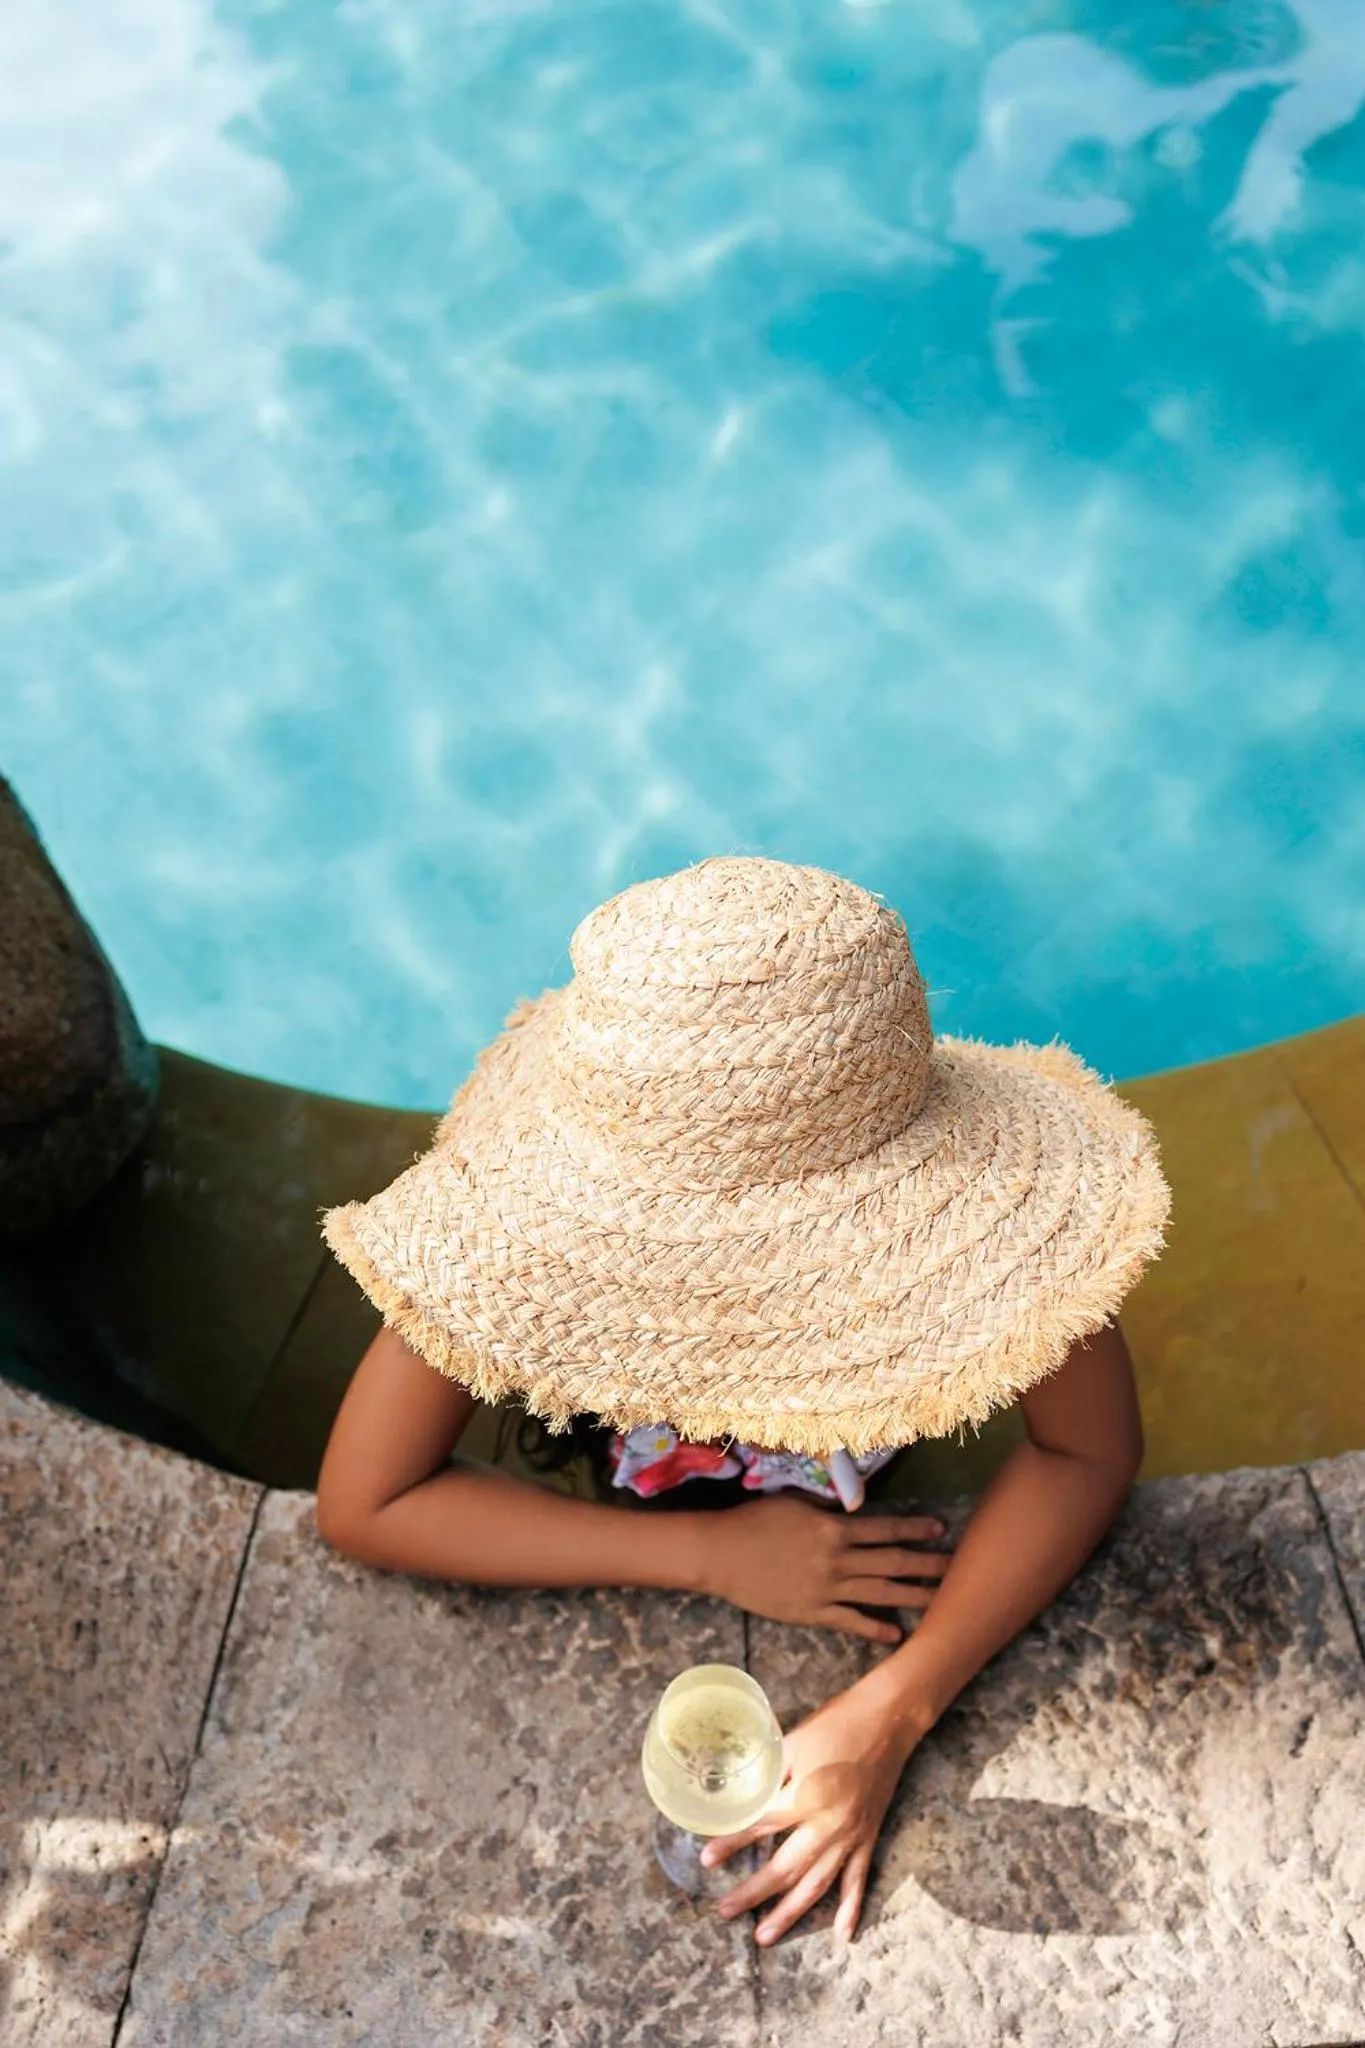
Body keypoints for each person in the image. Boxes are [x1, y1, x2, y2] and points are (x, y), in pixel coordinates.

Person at [315, 856, 1170, 1947]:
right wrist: (707, 1555)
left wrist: (890, 1711)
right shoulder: (511, 1240)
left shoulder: (1003, 1229)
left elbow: (1088, 1452)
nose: (744, 1312)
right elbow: (365, 1502)